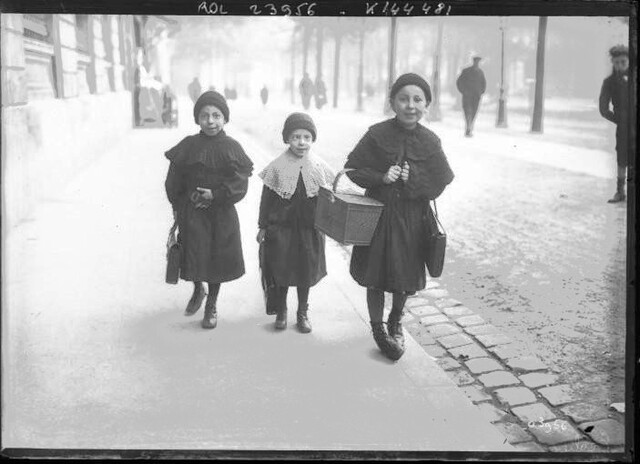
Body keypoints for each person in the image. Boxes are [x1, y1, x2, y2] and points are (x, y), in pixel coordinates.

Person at [344, 73, 454, 361]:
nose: (410, 105)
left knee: (404, 275)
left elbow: (441, 181)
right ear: (392, 102)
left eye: (418, 100)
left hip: (412, 220)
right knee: (375, 276)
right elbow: (353, 169)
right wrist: (381, 177)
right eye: (403, 99)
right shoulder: (376, 134)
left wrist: (412, 178)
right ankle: (378, 328)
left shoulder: (430, 141)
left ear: (427, 105)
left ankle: (395, 319)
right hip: (378, 218)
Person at [164, 91, 254, 329]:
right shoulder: (188, 145)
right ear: (197, 119)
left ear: (225, 119)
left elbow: (240, 183)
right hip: (192, 212)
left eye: (216, 115)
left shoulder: (231, 147)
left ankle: (211, 303)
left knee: (216, 260)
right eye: (205, 116)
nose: (210, 121)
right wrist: (177, 206)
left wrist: (216, 195)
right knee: (193, 255)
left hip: (220, 215)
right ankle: (198, 288)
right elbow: (173, 180)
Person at [257, 113, 335, 332]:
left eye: (307, 137)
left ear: (312, 139)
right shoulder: (277, 167)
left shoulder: (318, 166)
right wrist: (263, 226)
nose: (301, 142)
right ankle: (281, 310)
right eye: (296, 137)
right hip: (282, 229)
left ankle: (302, 312)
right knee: (281, 270)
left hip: (309, 230)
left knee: (305, 272)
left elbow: (329, 197)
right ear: (287, 139)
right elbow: (266, 200)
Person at [599, 44, 630, 203]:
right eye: (616, 62)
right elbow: (603, 109)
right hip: (623, 127)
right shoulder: (609, 82)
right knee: (622, 158)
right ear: (612, 62)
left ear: (629, 61)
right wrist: (619, 119)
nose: (620, 66)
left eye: (623, 62)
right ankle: (620, 192)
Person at [456, 56, 487, 137]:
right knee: (468, 111)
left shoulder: (480, 72)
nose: (477, 63)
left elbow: (483, 84)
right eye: (476, 62)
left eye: (478, 62)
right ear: (473, 62)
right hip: (467, 96)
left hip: (476, 96)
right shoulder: (466, 71)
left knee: (473, 112)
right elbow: (459, 82)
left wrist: (481, 92)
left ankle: (469, 127)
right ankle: (468, 127)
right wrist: (463, 91)